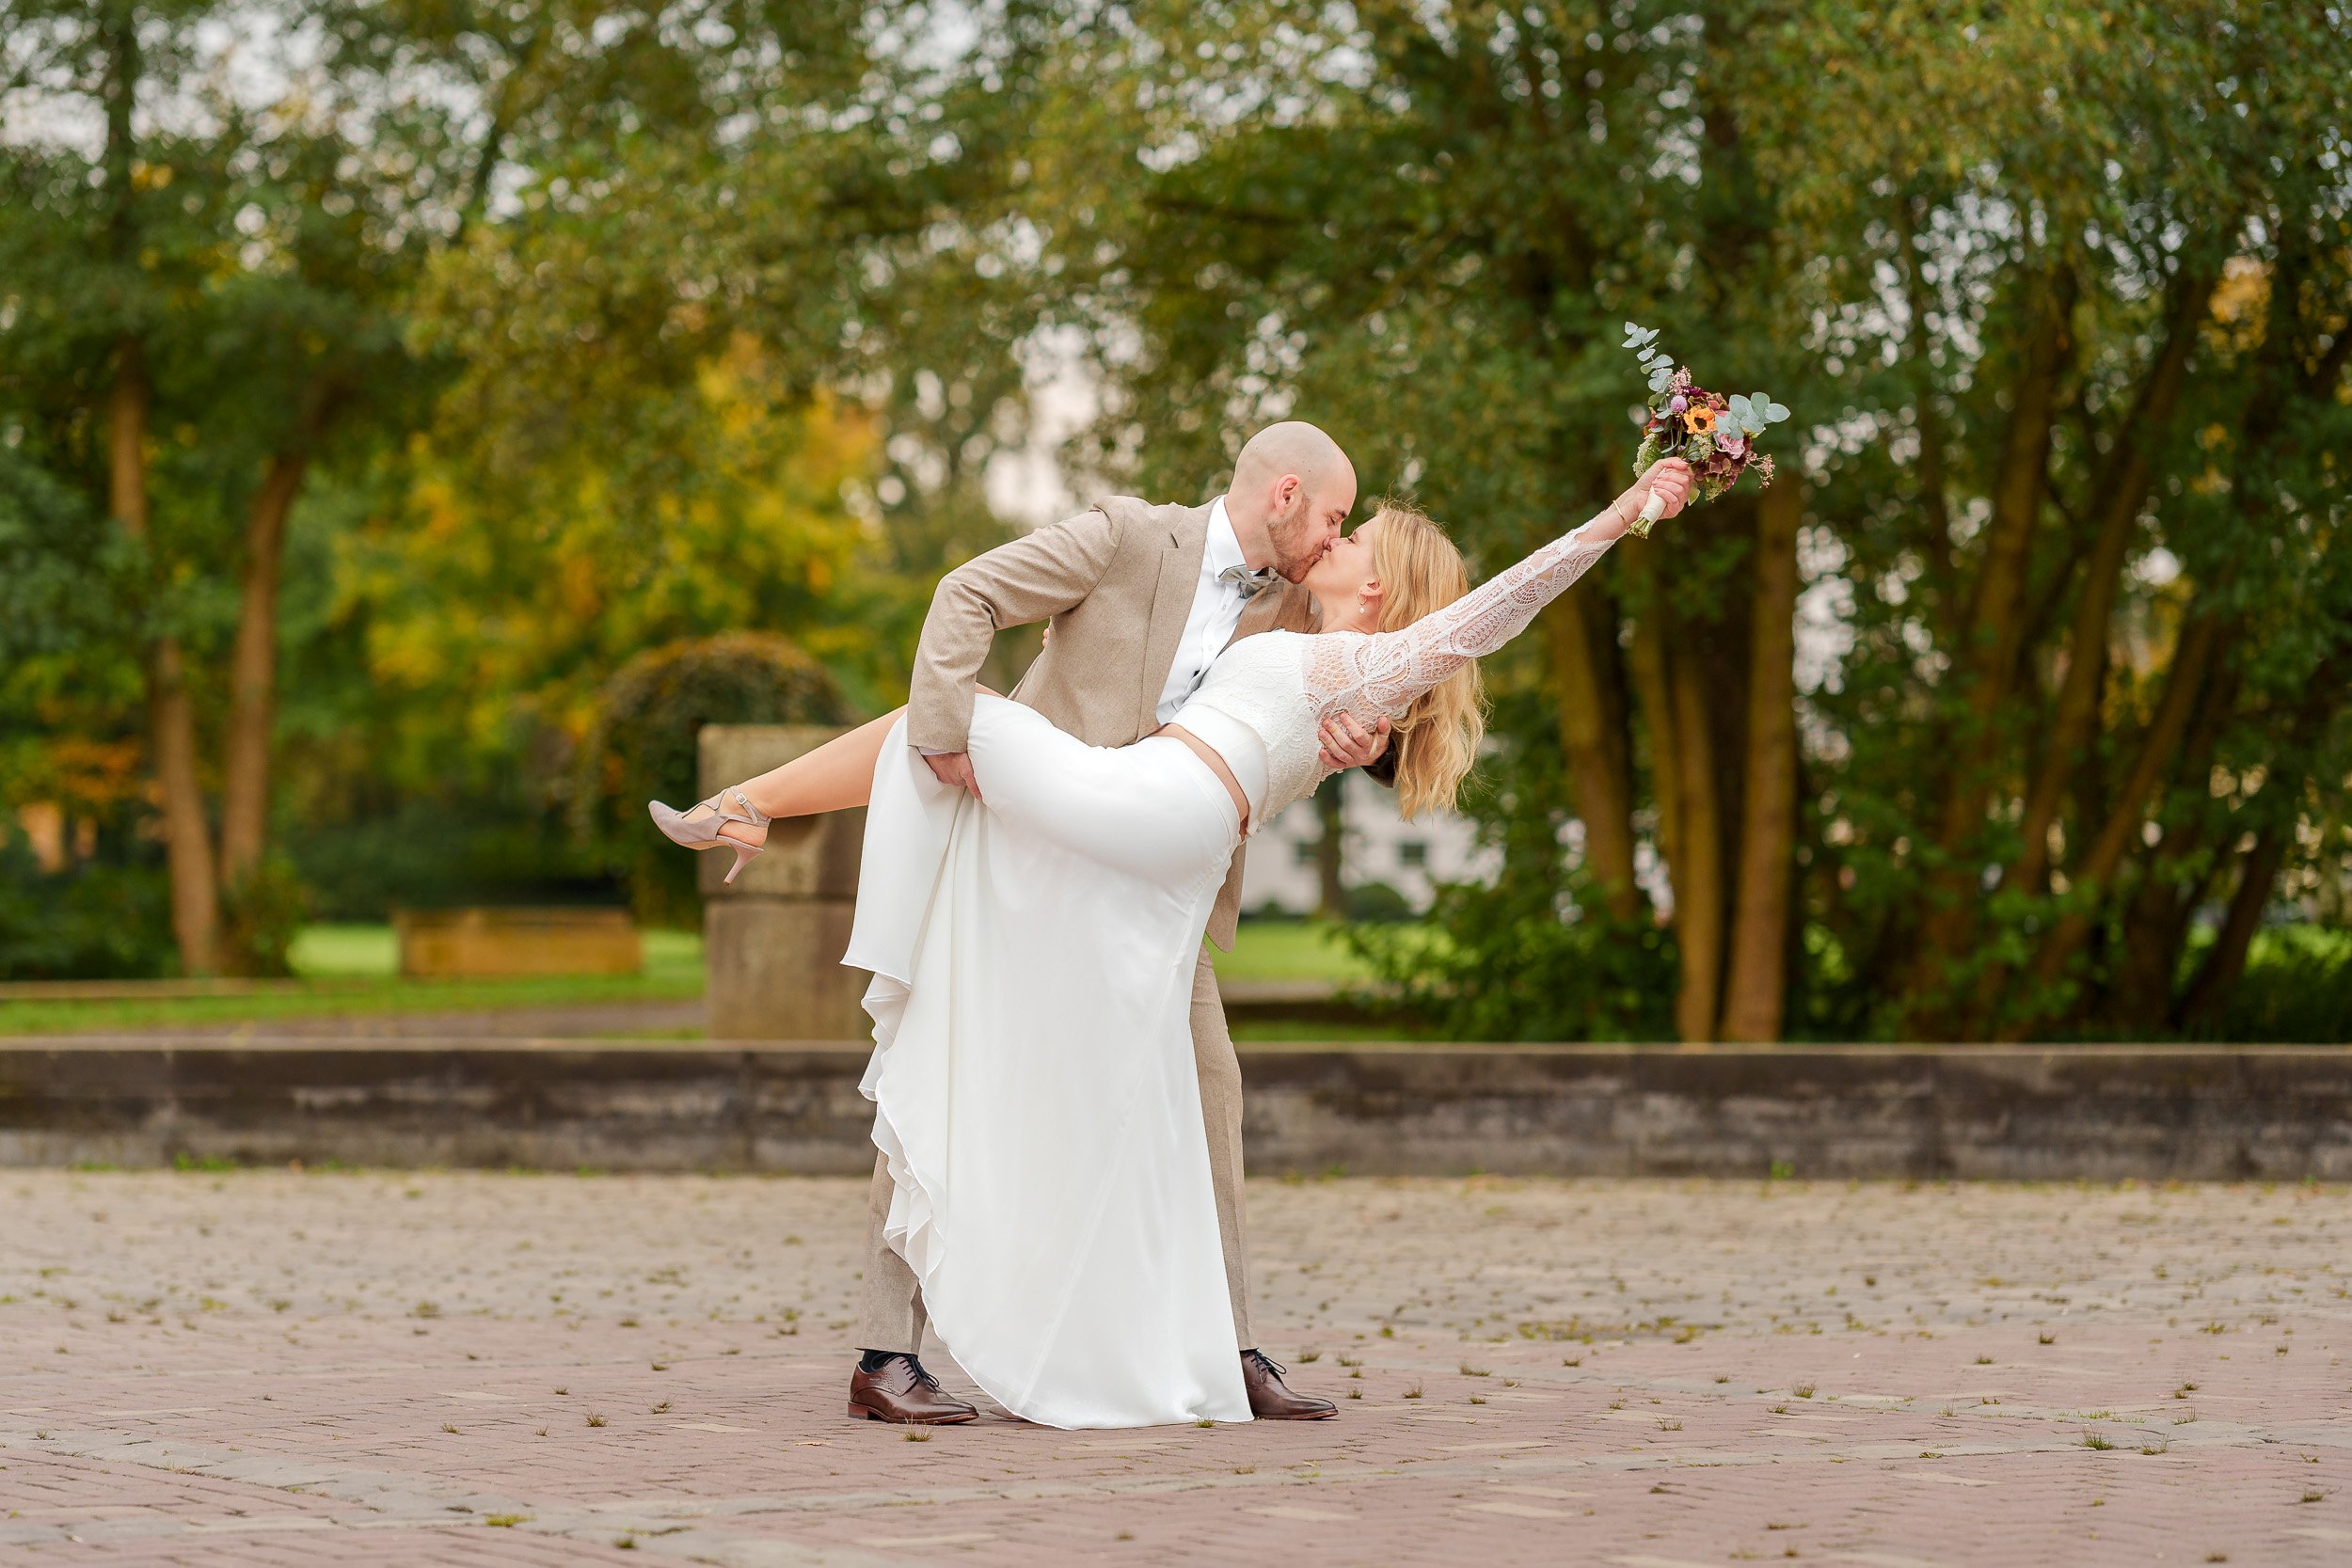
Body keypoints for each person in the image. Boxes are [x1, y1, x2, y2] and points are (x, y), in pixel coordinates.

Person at [654, 444, 1694, 1428]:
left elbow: (1429, 651)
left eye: (1351, 534)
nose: (1334, 539)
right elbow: (966, 596)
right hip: (1068, 826)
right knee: (945, 980)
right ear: (1285, 494)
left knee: (1206, 1087)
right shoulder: (1127, 539)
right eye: (1335, 517)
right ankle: (888, 1352)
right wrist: (939, 741)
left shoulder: (1308, 608)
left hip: (1159, 868)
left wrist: (1371, 733)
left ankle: (1225, 1350)